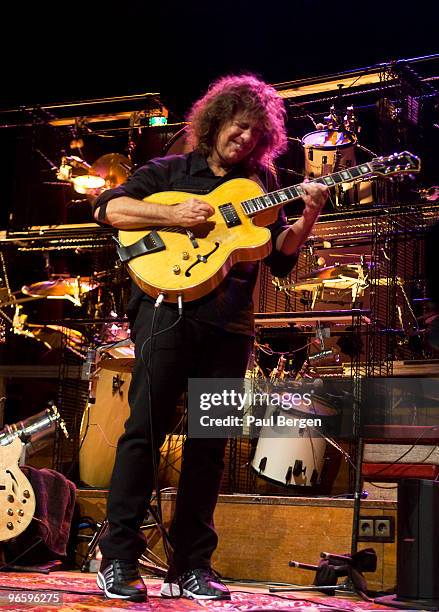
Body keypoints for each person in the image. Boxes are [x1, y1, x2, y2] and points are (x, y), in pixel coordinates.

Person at [93, 73, 329, 603]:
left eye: (254, 133)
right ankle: (119, 559)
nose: (244, 139)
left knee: (210, 445)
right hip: (167, 312)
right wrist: (171, 212)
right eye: (238, 127)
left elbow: (283, 255)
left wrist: (310, 211)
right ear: (217, 121)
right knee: (143, 434)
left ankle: (190, 565)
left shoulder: (261, 186)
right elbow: (108, 209)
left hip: (230, 325)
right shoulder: (169, 170)